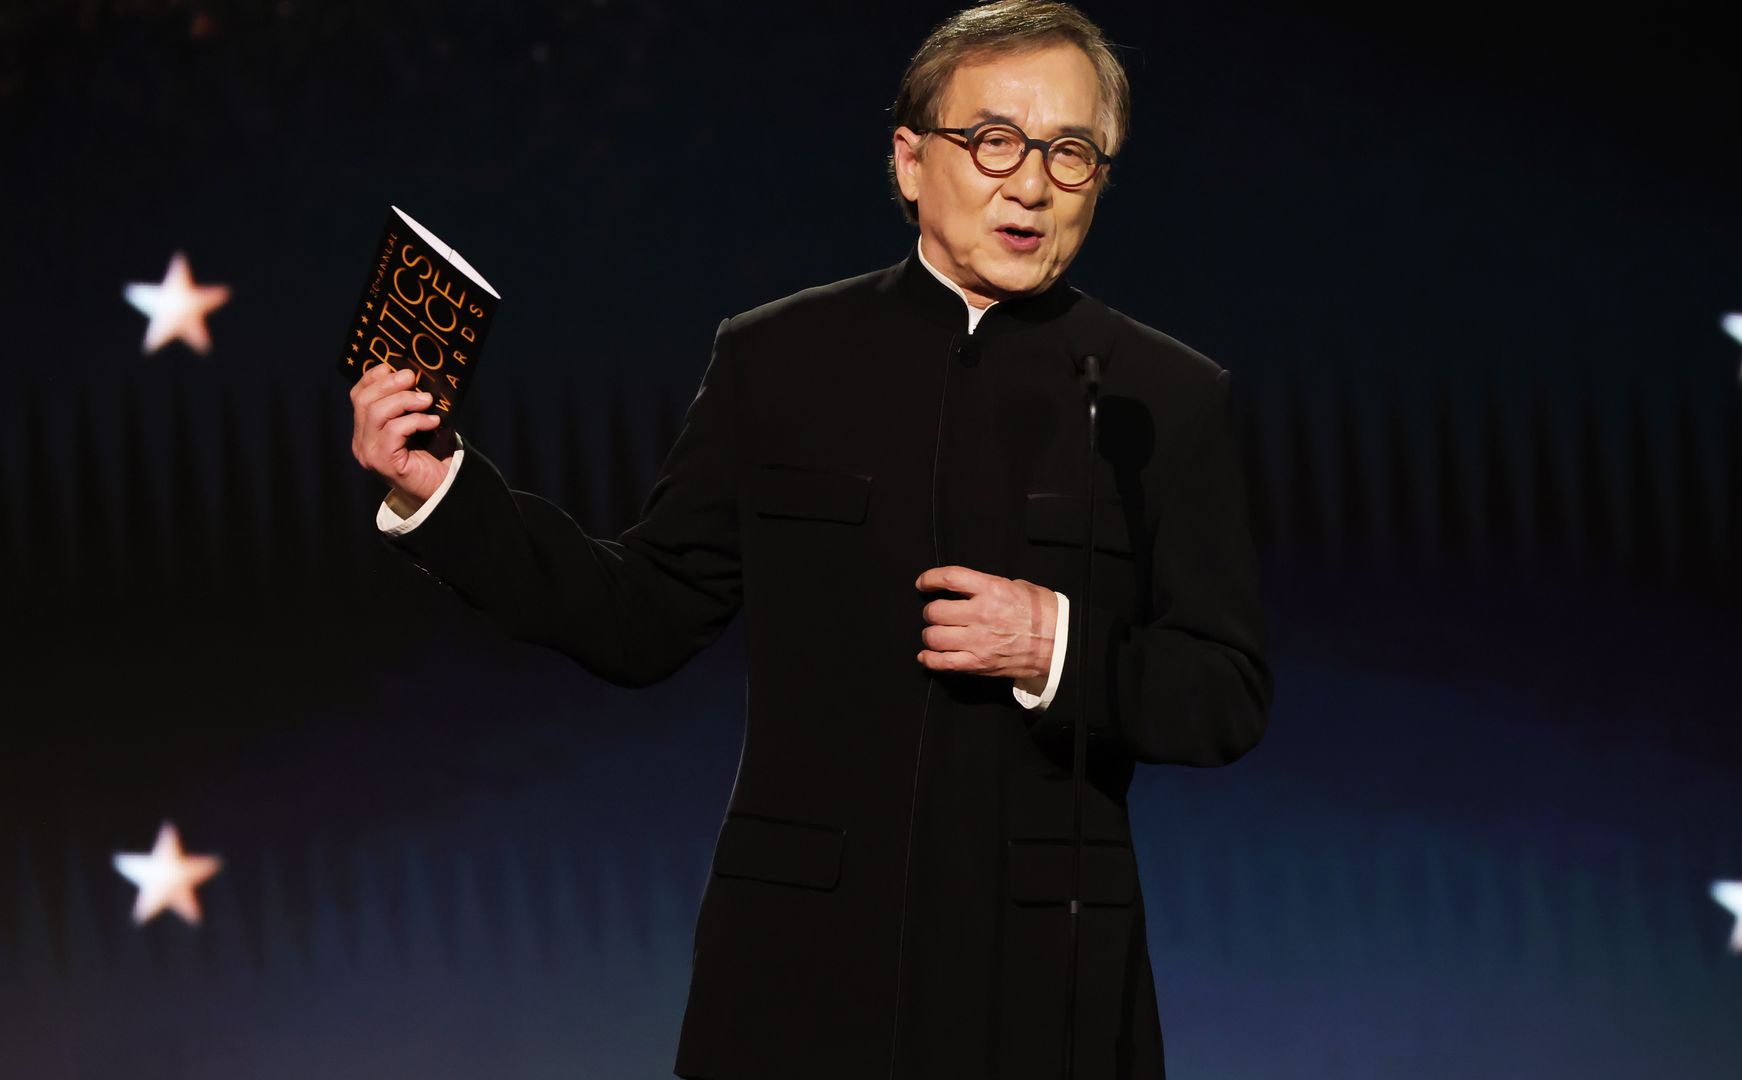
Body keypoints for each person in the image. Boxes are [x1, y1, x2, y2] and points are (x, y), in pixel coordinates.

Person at [347, 2, 1272, 1076]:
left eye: (1071, 154)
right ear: (911, 159)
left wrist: (1054, 643)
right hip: (799, 967)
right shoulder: (776, 360)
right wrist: (445, 497)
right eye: (995, 142)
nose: (1030, 184)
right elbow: (639, 615)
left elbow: (1226, 692)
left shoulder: (1172, 398)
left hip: (1043, 984)